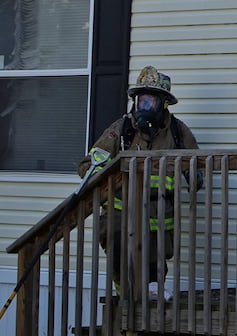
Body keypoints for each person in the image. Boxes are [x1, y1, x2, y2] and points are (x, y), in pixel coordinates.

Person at [78, 65, 200, 296]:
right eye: (140, 100)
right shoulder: (121, 130)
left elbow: (195, 161)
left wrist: (194, 175)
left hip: (160, 212)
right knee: (119, 257)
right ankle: (125, 299)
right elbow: (88, 165)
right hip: (120, 212)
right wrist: (102, 173)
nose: (143, 106)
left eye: (150, 101)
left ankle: (152, 299)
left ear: (163, 103)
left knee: (155, 263)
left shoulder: (177, 131)